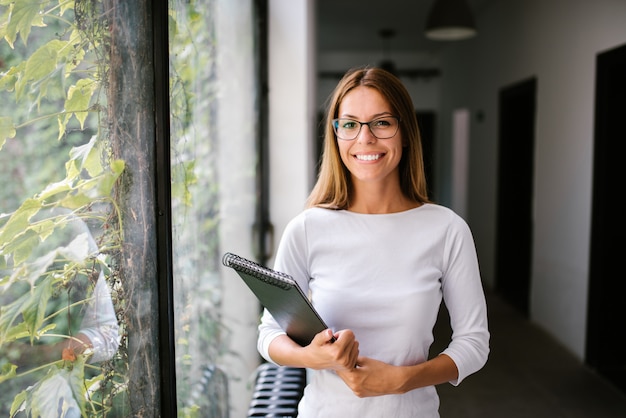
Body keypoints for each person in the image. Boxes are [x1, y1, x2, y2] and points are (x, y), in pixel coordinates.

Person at [257, 66, 489, 417]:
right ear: (336, 135)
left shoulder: (446, 229)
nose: (364, 139)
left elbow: (474, 343)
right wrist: (311, 356)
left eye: (381, 122)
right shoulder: (307, 228)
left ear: (405, 132)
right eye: (349, 124)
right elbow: (269, 333)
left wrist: (403, 380)